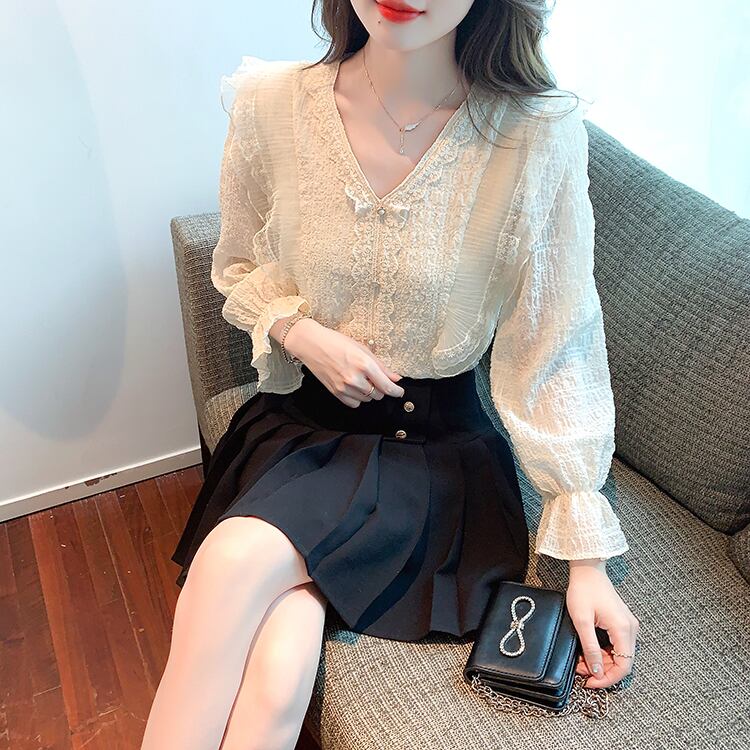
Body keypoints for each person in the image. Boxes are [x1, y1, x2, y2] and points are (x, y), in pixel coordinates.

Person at [142, 1, 640, 747]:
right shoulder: (272, 104)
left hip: (429, 458)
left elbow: (556, 338)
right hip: (303, 429)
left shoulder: (532, 136)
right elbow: (238, 262)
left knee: (233, 561)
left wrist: (586, 555)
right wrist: (302, 334)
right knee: (280, 670)